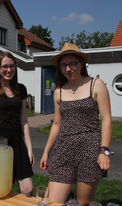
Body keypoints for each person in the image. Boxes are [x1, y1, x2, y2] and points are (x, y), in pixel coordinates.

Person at [40, 43, 112, 205]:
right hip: (63, 150)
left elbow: (106, 119)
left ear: (81, 64)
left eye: (72, 63)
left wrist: (104, 151)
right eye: (64, 65)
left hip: (89, 150)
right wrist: (46, 152)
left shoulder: (96, 84)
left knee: (82, 203)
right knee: (50, 202)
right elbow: (57, 124)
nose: (68, 68)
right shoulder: (58, 90)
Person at [0, 51, 35, 196]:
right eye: (4, 66)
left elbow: (24, 121)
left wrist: (29, 149)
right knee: (2, 187)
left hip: (17, 143)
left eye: (11, 66)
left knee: (28, 189)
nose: (8, 70)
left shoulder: (21, 89)